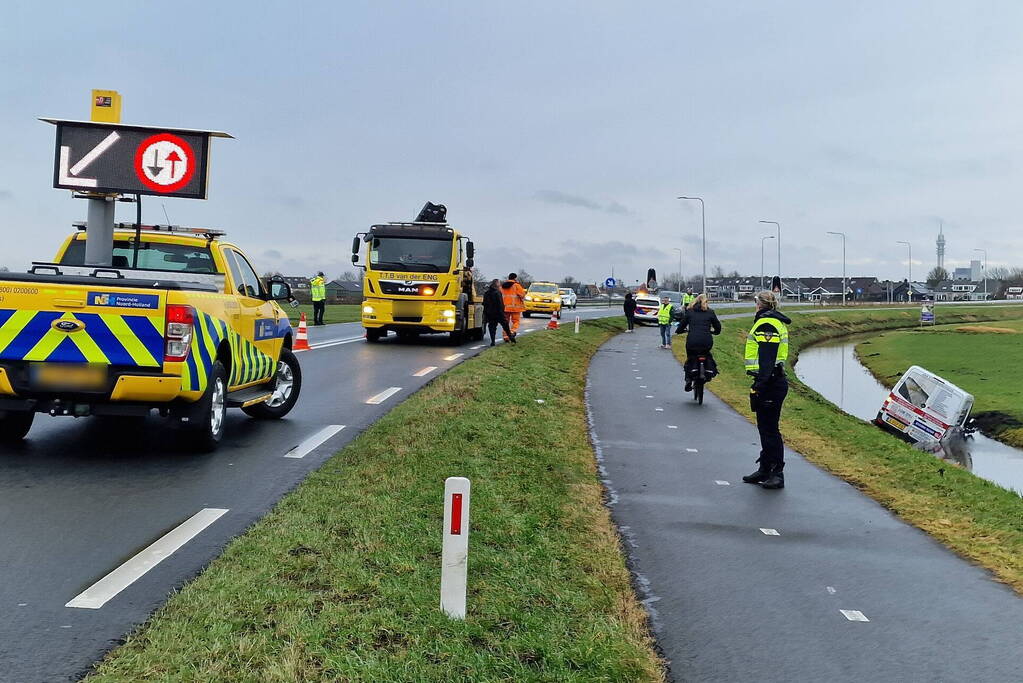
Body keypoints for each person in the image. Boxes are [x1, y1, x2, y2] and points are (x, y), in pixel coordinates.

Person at [741, 291, 792, 490]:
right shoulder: (770, 321)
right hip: (770, 381)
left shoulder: (767, 324)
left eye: (755, 302)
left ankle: (777, 473)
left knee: (770, 430)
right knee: (764, 428)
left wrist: (760, 385)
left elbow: (767, 359)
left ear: (760, 304)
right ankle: (764, 468)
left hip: (771, 382)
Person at [676, 294, 721, 391]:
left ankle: (688, 379)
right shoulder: (710, 312)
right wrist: (715, 332)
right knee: (707, 354)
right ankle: (708, 370)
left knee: (690, 358)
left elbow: (682, 325)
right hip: (706, 341)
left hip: (692, 341)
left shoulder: (690, 312)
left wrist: (679, 331)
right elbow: (718, 326)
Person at [483, 279, 514, 346]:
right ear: (497, 284)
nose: (500, 285)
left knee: (492, 327)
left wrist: (486, 313)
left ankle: (493, 341)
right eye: (499, 283)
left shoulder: (486, 293)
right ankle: (511, 337)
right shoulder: (497, 293)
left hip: (490, 313)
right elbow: (500, 304)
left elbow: (484, 304)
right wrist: (502, 312)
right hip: (498, 313)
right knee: (505, 325)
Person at [501, 273, 526, 340]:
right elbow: (523, 295)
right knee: (516, 321)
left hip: (505, 307)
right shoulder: (516, 286)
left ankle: (506, 336)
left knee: (505, 322)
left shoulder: (503, 286)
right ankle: (512, 332)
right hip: (515, 308)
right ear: (515, 278)